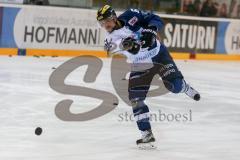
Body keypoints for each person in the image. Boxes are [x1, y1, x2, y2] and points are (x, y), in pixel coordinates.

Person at [96, 5, 201, 149]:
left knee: (174, 87)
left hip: (159, 54)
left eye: (106, 21)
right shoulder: (110, 41)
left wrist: (151, 30)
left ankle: (184, 87)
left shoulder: (130, 14)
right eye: (101, 23)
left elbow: (155, 18)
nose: (105, 26)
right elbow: (132, 49)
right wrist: (133, 44)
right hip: (140, 64)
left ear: (114, 18)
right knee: (135, 99)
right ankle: (146, 133)